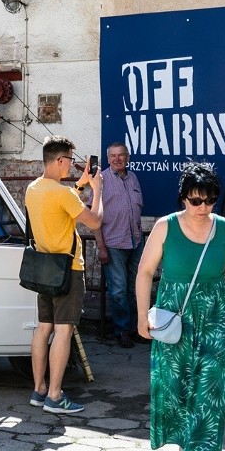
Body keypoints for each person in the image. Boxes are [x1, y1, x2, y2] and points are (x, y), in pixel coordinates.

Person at [136, 162, 225, 451]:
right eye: (195, 200)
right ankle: (184, 441)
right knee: (174, 384)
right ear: (183, 199)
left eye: (209, 200)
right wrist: (141, 314)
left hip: (216, 312)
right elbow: (145, 272)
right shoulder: (165, 226)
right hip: (175, 311)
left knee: (209, 387)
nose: (202, 207)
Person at [25, 135, 103, 414]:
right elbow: (95, 221)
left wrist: (81, 185)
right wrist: (98, 190)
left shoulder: (33, 189)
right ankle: (56, 396)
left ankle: (40, 389)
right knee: (63, 330)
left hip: (45, 268)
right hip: (68, 269)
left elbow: (62, 208)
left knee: (42, 327)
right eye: (70, 159)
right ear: (59, 161)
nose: (72, 164)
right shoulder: (62, 193)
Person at [93, 142, 145, 348]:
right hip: (113, 244)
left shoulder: (133, 178)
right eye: (113, 156)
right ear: (108, 159)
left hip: (136, 242)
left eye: (121, 155)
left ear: (127, 157)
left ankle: (136, 329)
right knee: (119, 291)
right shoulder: (101, 181)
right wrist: (101, 247)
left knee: (136, 289)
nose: (117, 159)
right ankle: (122, 330)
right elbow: (93, 217)